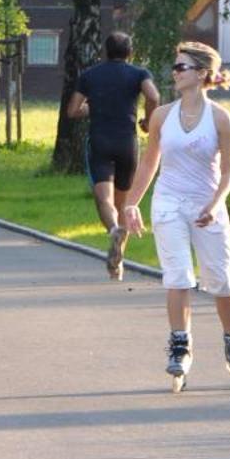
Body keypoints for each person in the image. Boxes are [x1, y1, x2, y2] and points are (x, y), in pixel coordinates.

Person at [121, 41, 230, 391]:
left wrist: (214, 203)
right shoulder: (162, 115)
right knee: (177, 276)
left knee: (221, 278)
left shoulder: (221, 119)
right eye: (175, 67)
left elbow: (228, 173)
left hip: (207, 206)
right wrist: (131, 203)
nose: (174, 73)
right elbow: (150, 163)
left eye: (181, 67)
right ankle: (180, 345)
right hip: (169, 203)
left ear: (202, 74)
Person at [66, 31, 159, 281]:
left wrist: (93, 107)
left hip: (100, 141)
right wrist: (149, 121)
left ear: (105, 51)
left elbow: (73, 110)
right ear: (130, 52)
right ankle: (118, 264)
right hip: (127, 142)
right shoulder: (139, 74)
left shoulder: (90, 76)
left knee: (104, 200)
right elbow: (153, 96)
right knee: (124, 204)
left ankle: (114, 231)